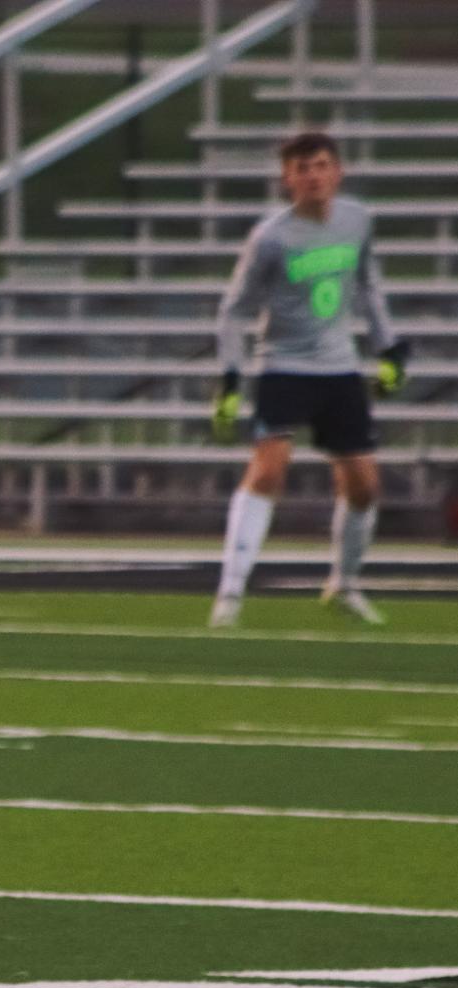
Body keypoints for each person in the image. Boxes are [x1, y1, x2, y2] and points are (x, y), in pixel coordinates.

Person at [210, 130, 409, 629]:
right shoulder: (271, 237)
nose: (313, 176)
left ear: (337, 171)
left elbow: (368, 286)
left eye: (321, 165)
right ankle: (230, 592)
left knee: (364, 485)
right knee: (269, 469)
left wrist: (389, 348)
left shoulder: (357, 220)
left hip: (340, 367)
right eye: (302, 169)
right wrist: (231, 378)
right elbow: (234, 311)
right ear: (287, 179)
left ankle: (343, 584)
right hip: (284, 365)